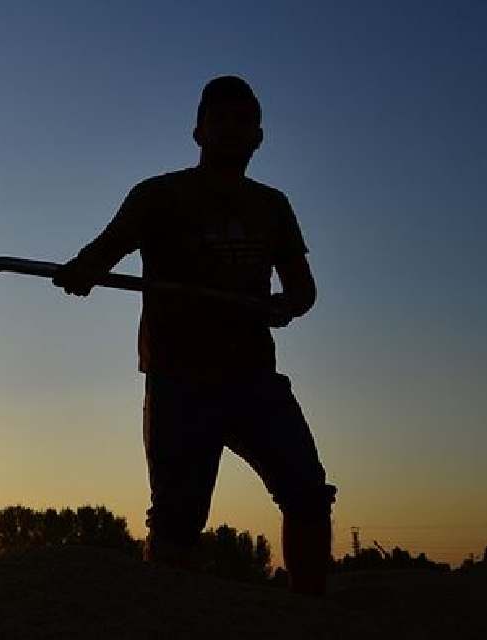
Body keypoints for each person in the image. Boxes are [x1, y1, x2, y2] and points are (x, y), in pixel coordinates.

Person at [52, 75, 336, 596]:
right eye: (220, 120)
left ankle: (310, 611)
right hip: (179, 380)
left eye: (243, 121)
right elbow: (107, 248)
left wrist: (286, 306)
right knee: (178, 522)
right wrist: (82, 270)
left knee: (307, 493)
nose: (232, 130)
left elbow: (302, 288)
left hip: (253, 377)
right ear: (198, 131)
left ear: (259, 136)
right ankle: (168, 615)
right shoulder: (159, 196)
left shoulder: (272, 206)